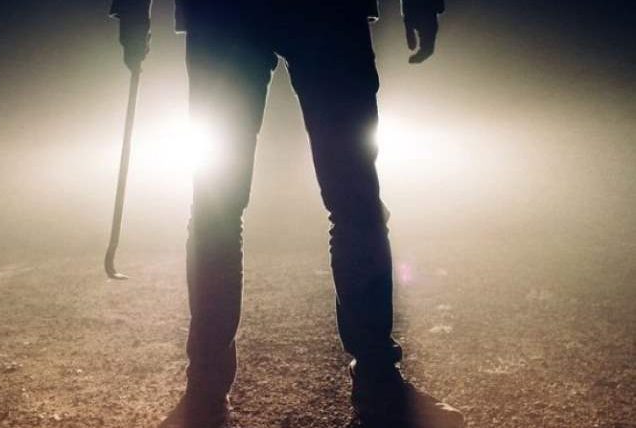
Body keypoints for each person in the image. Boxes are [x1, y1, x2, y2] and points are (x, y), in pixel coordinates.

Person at [110, 1, 463, 427]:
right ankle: (375, 379)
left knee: (223, 210)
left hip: (228, 14)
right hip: (316, 14)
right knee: (352, 199)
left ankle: (206, 388)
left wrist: (132, 11)